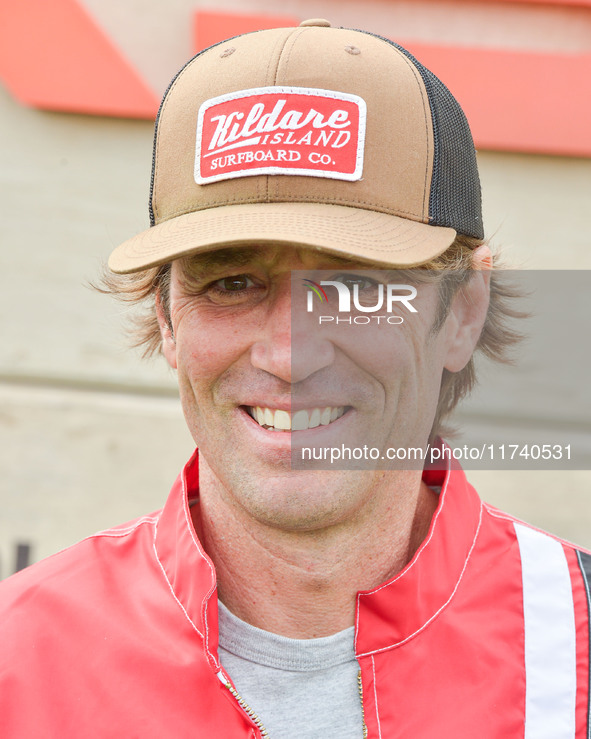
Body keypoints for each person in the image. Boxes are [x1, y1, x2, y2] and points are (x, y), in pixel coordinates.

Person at [1, 19, 589, 738]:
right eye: (232, 282)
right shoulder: (18, 661)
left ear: (462, 311)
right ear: (165, 317)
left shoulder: (575, 648)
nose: (288, 354)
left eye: (351, 285)